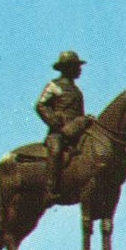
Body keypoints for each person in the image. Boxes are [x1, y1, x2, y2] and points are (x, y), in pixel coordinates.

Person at [36, 50, 90, 202]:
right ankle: (50, 190)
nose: (80, 70)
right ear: (67, 68)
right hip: (59, 133)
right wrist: (54, 121)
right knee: (56, 150)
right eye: (76, 66)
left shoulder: (77, 91)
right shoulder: (54, 86)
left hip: (77, 131)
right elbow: (40, 105)